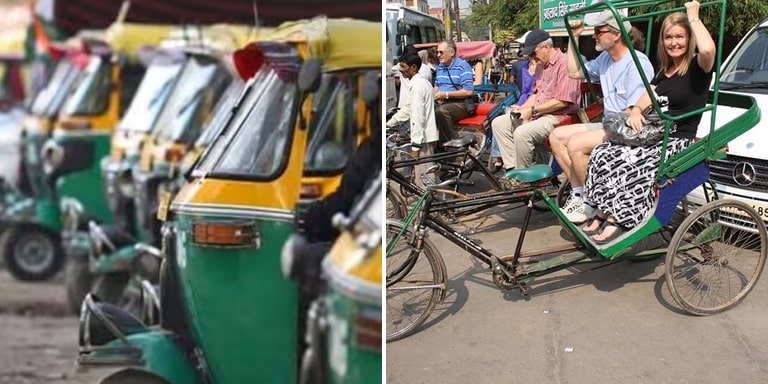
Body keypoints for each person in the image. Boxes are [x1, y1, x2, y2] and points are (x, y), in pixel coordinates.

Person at [583, 1, 715, 243]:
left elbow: (708, 50)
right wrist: (636, 110)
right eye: (668, 37)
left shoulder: (697, 66)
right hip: (655, 135)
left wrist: (693, 17)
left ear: (689, 39)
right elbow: (648, 94)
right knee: (604, 151)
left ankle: (621, 218)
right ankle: (604, 209)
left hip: (676, 141)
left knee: (629, 160)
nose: (673, 42)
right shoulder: (665, 71)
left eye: (679, 37)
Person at [549, 10, 655, 223]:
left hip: (628, 128)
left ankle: (592, 199)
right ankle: (580, 194)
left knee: (576, 143)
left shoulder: (637, 63)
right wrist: (574, 37)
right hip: (609, 124)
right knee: (556, 136)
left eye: (599, 31)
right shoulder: (606, 59)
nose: (595, 36)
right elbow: (574, 72)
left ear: (616, 35)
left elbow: (634, 111)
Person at [490, 29, 581, 187]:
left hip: (560, 117)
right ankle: (513, 170)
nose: (531, 58)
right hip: (540, 113)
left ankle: (523, 179)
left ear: (546, 47)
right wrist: (521, 108)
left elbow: (562, 101)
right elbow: (535, 94)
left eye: (533, 53)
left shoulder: (564, 63)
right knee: (499, 123)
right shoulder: (541, 65)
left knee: (522, 133)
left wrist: (532, 111)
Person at [386, 52, 439, 189]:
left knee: (425, 180)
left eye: (403, 67)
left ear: (413, 67)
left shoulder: (418, 86)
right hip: (424, 137)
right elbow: (409, 109)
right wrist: (390, 123)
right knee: (427, 175)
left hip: (423, 139)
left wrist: (415, 146)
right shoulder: (420, 83)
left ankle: (436, 207)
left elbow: (417, 118)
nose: (401, 70)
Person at [490, 33, 537, 173]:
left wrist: (524, 107)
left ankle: (520, 165)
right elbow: (522, 88)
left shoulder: (543, 68)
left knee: (520, 126)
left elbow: (536, 92)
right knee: (498, 121)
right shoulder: (523, 67)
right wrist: (520, 105)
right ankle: (503, 160)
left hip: (534, 103)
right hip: (524, 99)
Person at [433, 40, 475, 144]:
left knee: (441, 111)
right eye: (437, 52)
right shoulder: (440, 67)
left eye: (441, 52)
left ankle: (447, 144)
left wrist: (446, 95)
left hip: (460, 103)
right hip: (442, 101)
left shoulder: (463, 66)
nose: (438, 55)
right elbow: (437, 86)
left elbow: (468, 91)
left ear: (452, 52)